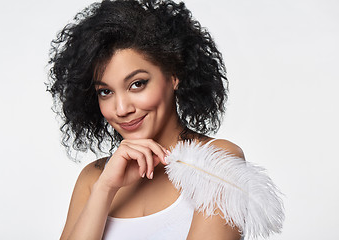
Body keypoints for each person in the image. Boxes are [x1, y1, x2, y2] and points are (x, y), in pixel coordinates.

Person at [48, 0, 245, 239]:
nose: (121, 109)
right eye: (105, 92)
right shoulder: (94, 179)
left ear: (174, 75)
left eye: (137, 84)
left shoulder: (216, 162)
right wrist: (106, 188)